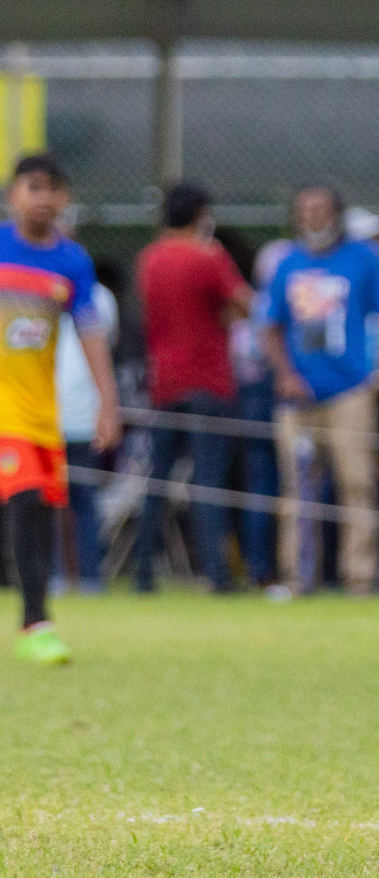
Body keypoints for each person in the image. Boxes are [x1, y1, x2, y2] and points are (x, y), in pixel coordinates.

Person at [1, 154, 121, 663]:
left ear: (65, 198)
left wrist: (108, 404)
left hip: (40, 415)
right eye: (33, 187)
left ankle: (35, 621)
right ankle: (36, 621)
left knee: (40, 512)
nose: (43, 197)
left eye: (53, 188)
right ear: (13, 196)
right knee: (25, 501)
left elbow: (91, 334)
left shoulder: (72, 261)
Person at [264, 185, 379, 595]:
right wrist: (285, 374)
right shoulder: (286, 263)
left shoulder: (365, 259)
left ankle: (359, 577)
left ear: (337, 214)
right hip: (298, 395)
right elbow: (269, 325)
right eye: (305, 209)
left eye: (321, 209)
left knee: (357, 483)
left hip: (351, 390)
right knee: (297, 488)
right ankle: (297, 575)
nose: (314, 216)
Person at [134, 184, 253, 594]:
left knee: (158, 481)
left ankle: (142, 575)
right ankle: (216, 575)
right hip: (207, 381)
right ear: (201, 213)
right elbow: (246, 305)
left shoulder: (149, 259)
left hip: (164, 382)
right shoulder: (209, 255)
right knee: (208, 481)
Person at [52, 269, 119, 595]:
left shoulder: (100, 297)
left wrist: (107, 408)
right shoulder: (30, 284)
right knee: (46, 501)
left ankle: (92, 578)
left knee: (84, 500)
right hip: (42, 415)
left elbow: (107, 346)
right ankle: (54, 578)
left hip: (84, 414)